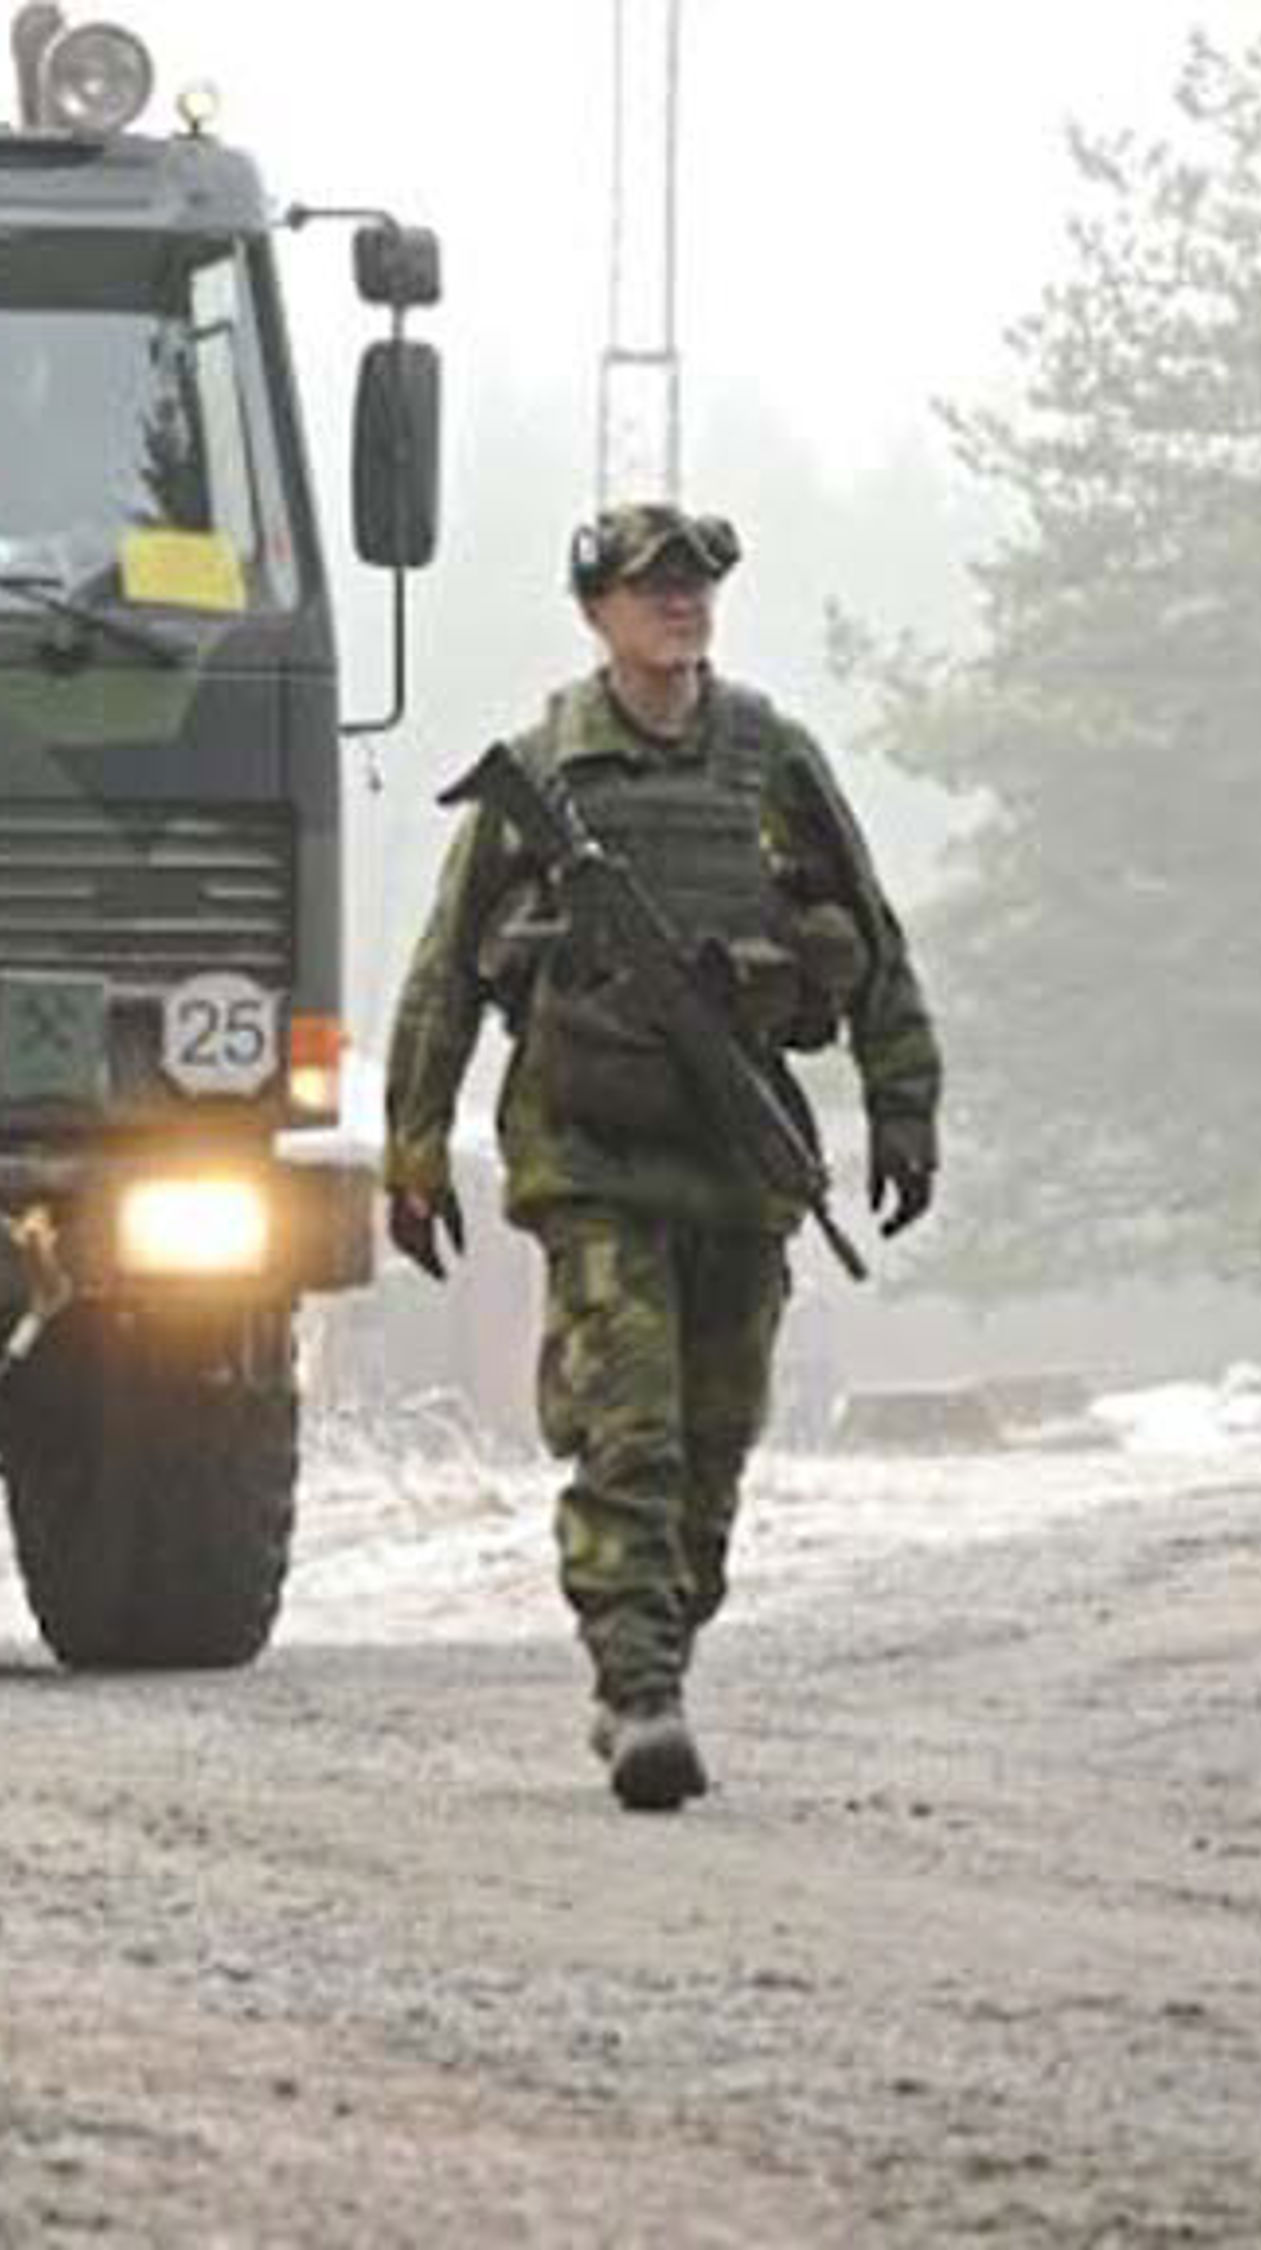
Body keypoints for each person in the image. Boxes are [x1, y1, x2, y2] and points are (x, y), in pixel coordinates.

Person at [381, 502, 942, 1811]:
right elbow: (443, 975)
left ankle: (658, 1656)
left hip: (736, 1157)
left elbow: (869, 932)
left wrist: (902, 1100)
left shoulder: (769, 758)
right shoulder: (546, 770)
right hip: (591, 1157)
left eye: (695, 585)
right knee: (629, 1423)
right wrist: (412, 1148)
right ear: (598, 612)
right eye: (652, 588)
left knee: (714, 1439)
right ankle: (639, 1691)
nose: (680, 605)